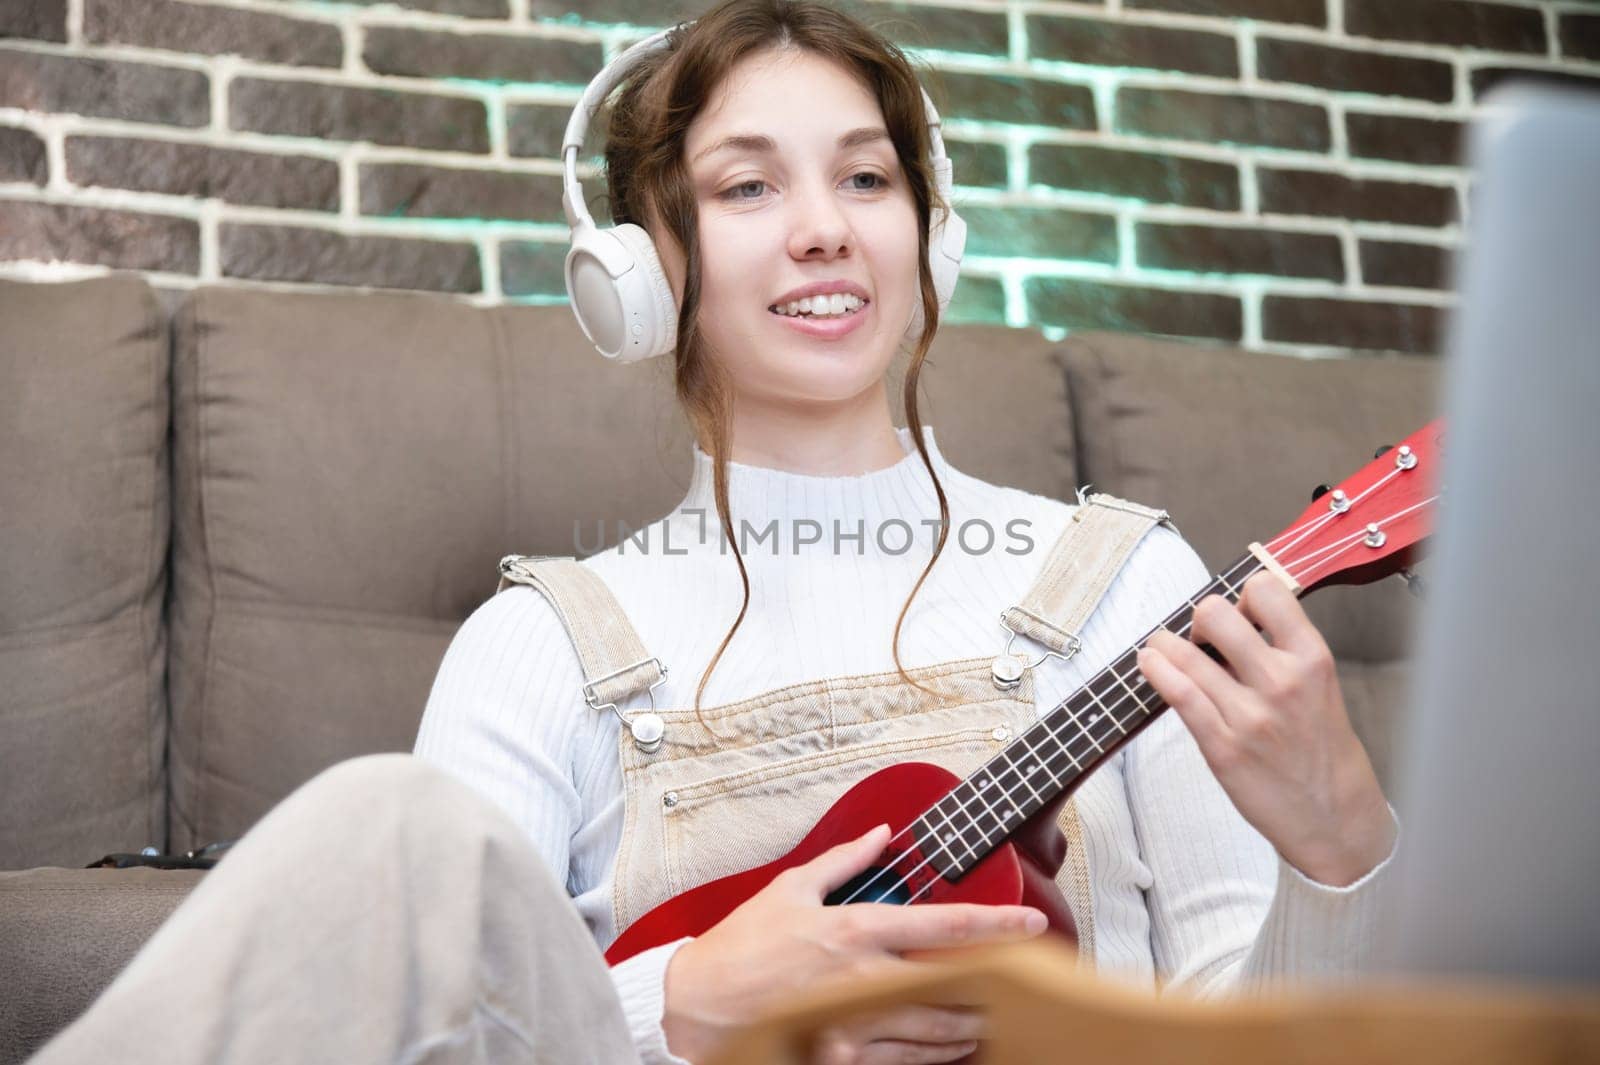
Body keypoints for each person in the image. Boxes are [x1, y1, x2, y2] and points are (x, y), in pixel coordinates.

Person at [28, 2, 1397, 1063]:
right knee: (389, 830)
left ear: (933, 239)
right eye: (748, 188)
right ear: (641, 269)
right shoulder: (542, 649)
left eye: (867, 180)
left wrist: (1344, 856)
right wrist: (684, 1000)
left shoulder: (1129, 590)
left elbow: (1267, 1042)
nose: (821, 230)